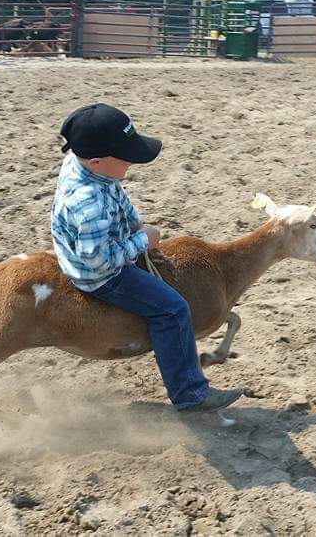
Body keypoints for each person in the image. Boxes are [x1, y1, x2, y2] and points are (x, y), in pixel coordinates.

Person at [51, 103, 243, 414]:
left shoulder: (87, 166)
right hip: (97, 275)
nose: (132, 162)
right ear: (98, 161)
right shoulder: (87, 202)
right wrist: (143, 240)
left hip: (99, 245)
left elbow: (118, 194)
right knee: (173, 309)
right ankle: (190, 394)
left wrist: (135, 223)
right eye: (126, 157)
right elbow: (100, 261)